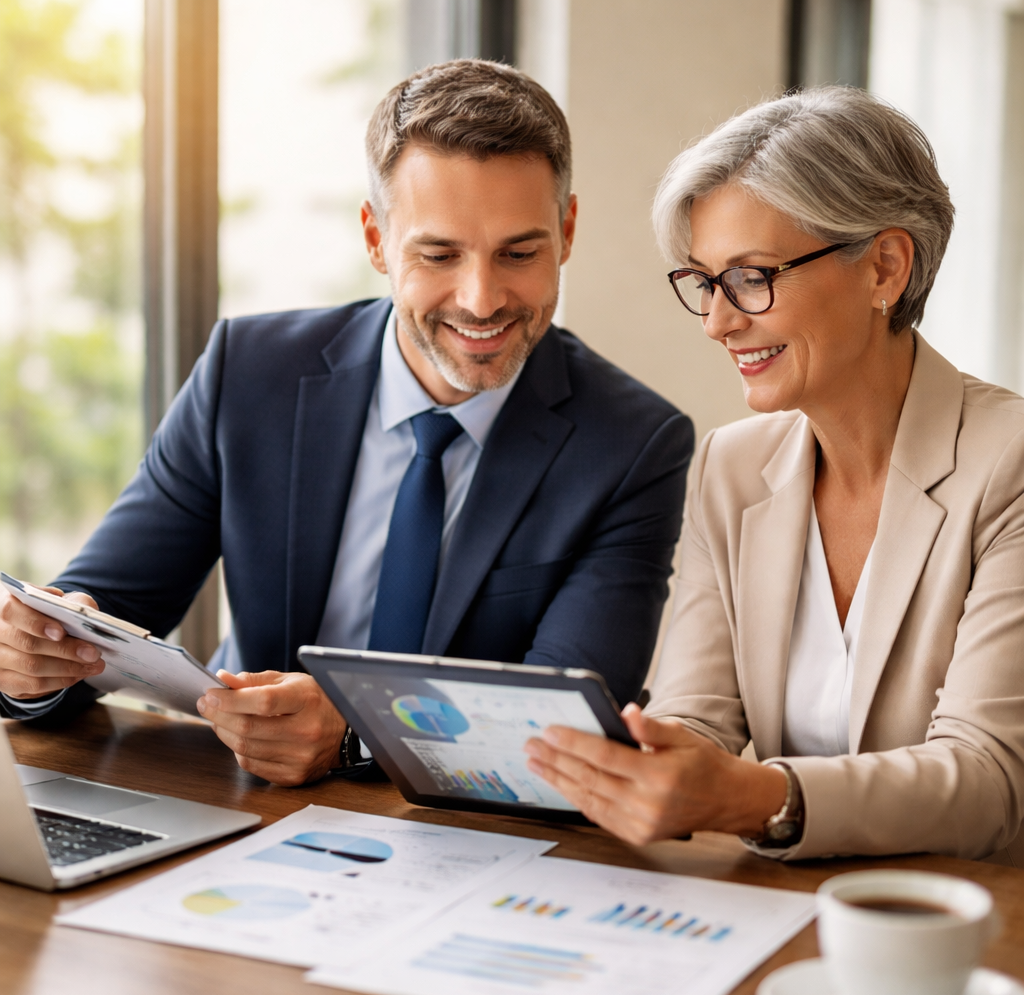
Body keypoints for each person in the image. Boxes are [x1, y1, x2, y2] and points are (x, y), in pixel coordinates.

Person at [0, 60, 693, 785]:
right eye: (439, 254)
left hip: (471, 846)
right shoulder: (249, 374)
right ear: (375, 239)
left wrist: (357, 736)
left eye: (519, 253)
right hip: (241, 801)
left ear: (568, 229)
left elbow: (564, 733)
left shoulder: (635, 445)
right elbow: (101, 607)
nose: (482, 298)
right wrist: (32, 663)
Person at [525, 86, 1024, 865]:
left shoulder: (1009, 463)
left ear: (886, 267)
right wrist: (645, 762)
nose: (721, 321)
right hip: (786, 909)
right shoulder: (733, 464)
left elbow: (990, 780)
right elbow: (697, 717)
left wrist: (758, 797)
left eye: (752, 277)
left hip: (967, 929)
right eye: (704, 282)